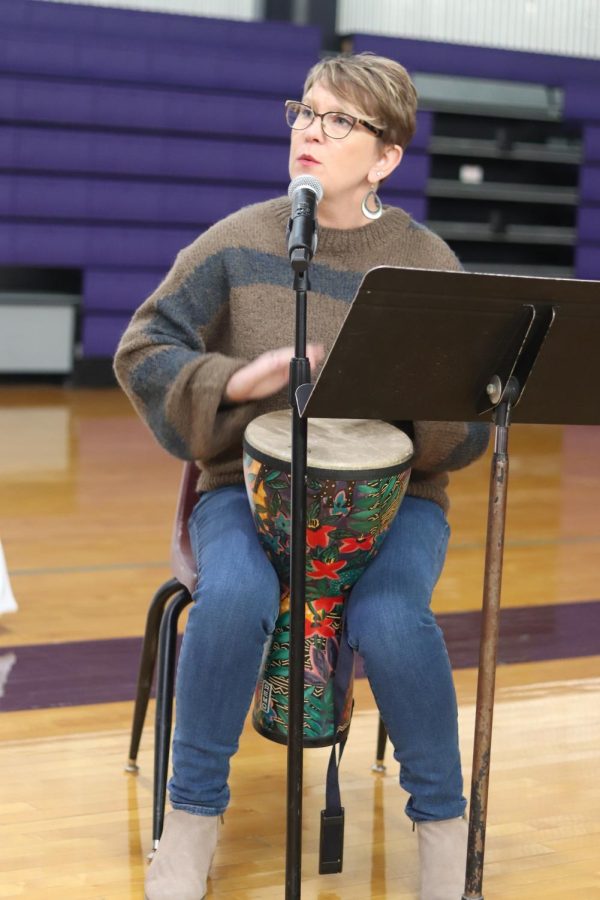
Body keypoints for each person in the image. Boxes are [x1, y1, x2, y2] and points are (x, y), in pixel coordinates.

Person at [114, 52, 490, 900]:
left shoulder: (425, 266)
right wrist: (236, 381)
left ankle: (442, 836)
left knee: (392, 618)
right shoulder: (242, 241)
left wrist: (407, 407)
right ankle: (191, 824)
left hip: (396, 504)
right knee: (239, 597)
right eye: (305, 112)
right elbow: (142, 349)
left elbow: (468, 432)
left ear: (386, 155)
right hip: (242, 490)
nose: (312, 132)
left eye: (339, 120)